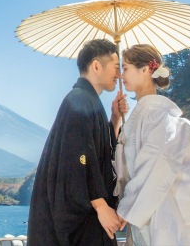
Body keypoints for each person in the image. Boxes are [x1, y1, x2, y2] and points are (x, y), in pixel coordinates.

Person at [28, 38, 129, 245]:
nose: (119, 74)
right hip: (84, 216)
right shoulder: (79, 100)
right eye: (115, 67)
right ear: (96, 66)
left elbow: (94, 150)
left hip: (90, 212)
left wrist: (115, 119)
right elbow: (74, 158)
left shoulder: (86, 99)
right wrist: (101, 206)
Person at [116, 44, 190, 246]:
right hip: (153, 208)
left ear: (145, 70)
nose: (121, 75)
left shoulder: (154, 115)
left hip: (160, 210)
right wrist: (118, 119)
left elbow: (155, 166)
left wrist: (127, 208)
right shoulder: (150, 114)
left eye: (125, 68)